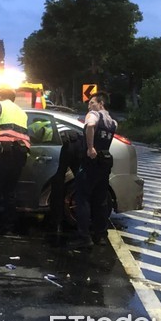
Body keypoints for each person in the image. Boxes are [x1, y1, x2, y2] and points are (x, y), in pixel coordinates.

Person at [69, 92, 117, 249]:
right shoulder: (112, 122)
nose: (89, 106)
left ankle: (84, 237)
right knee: (100, 200)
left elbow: (90, 126)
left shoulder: (94, 115)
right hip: (105, 163)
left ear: (100, 103)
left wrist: (90, 148)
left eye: (92, 103)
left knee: (83, 198)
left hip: (91, 163)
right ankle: (100, 235)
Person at [0, 88, 30, 237]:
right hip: (20, 154)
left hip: (3, 153)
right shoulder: (22, 112)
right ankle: (8, 228)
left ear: (0, 96)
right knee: (10, 192)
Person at [48, 127, 82, 235]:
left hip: (66, 144)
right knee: (80, 186)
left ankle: (56, 223)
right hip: (80, 144)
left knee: (58, 184)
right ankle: (82, 225)